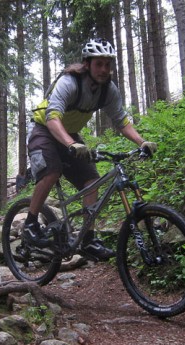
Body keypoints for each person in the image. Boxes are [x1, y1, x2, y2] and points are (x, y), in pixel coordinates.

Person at [24, 38, 157, 261]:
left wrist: (141, 142)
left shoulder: (108, 90)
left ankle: (88, 240)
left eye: (108, 64)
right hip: (44, 128)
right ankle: (30, 224)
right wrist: (71, 144)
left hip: (68, 134)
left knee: (91, 181)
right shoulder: (69, 82)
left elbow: (122, 121)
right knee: (51, 171)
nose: (104, 70)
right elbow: (53, 117)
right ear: (87, 64)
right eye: (99, 64)